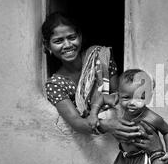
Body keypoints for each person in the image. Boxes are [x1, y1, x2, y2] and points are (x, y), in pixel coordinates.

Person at [42, 12, 141, 141]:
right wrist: (106, 125)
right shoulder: (55, 85)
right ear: (47, 45)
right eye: (58, 41)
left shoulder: (100, 57)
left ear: (80, 36)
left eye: (72, 37)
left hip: (124, 134)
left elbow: (118, 96)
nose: (67, 45)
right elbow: (76, 122)